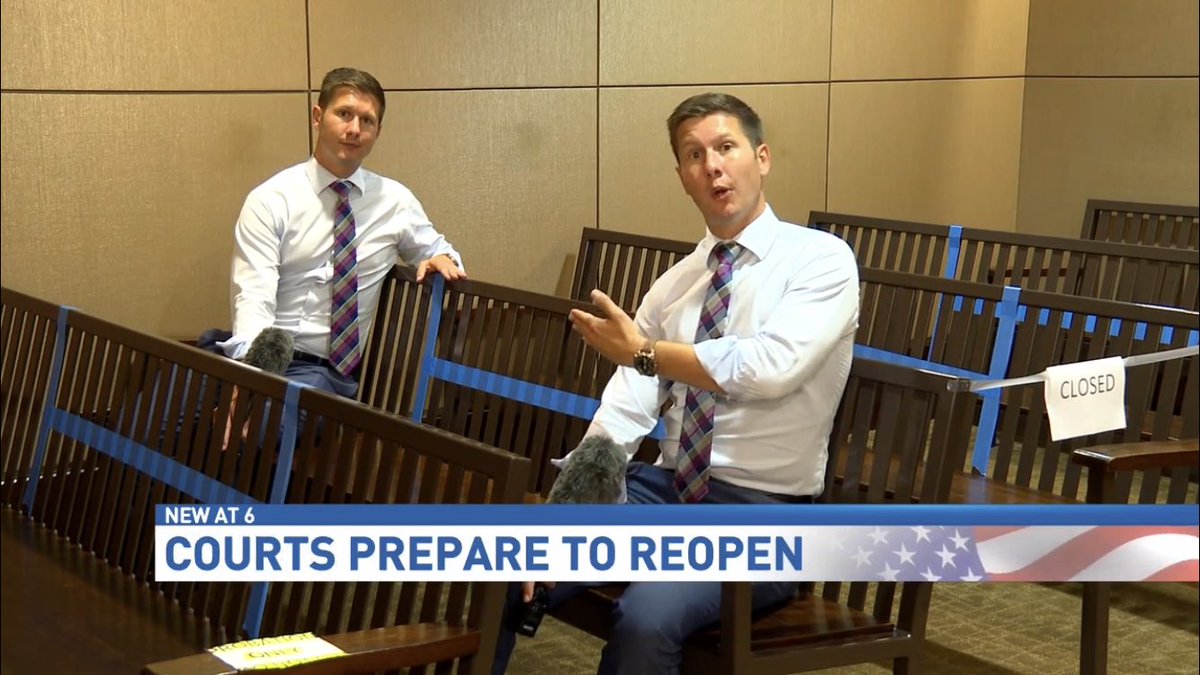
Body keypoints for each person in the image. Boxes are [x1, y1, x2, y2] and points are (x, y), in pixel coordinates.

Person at [492, 93, 860, 674]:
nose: (712, 166)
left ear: (762, 158)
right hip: (664, 492)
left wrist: (646, 353)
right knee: (507, 565)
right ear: (682, 177)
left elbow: (769, 369)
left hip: (763, 514)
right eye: (694, 155)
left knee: (647, 616)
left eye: (726, 147)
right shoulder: (675, 285)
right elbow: (626, 405)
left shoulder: (821, 260)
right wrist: (571, 511)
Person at [219, 67, 466, 397]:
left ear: (378, 132)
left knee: (263, 424)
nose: (354, 130)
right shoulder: (271, 200)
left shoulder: (395, 202)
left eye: (367, 120)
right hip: (262, 358)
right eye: (344, 114)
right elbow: (253, 298)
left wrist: (442, 258)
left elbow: (441, 252)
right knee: (159, 412)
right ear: (318, 117)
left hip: (326, 373)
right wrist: (251, 381)